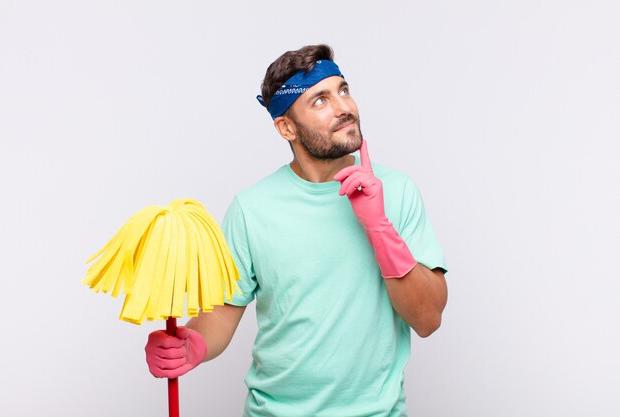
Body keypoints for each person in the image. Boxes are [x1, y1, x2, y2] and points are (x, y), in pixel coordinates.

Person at [145, 44, 448, 417]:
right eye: (320, 100)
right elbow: (224, 312)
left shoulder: (397, 191)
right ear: (286, 127)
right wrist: (191, 345)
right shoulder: (251, 208)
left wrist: (378, 226)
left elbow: (428, 318)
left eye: (344, 90)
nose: (344, 108)